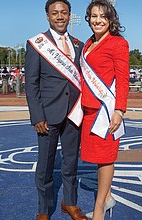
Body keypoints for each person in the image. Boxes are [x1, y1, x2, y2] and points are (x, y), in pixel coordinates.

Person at [25, 1, 87, 220]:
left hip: (74, 114)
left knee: (71, 162)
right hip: (48, 115)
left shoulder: (79, 44)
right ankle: (44, 209)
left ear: (70, 15)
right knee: (45, 165)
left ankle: (69, 203)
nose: (59, 17)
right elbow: (31, 83)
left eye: (64, 12)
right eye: (55, 13)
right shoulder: (36, 43)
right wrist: (37, 116)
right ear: (47, 16)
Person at [80, 0, 129, 219]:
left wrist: (119, 110)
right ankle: (107, 197)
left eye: (103, 16)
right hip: (88, 111)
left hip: (106, 112)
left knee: (106, 157)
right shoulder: (88, 43)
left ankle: (100, 208)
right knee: (98, 157)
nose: (98, 20)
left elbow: (123, 78)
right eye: (94, 16)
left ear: (111, 20)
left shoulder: (118, 43)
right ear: (88, 18)